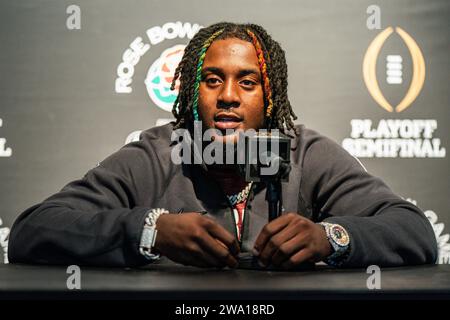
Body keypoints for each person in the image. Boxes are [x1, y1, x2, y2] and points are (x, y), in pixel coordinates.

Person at [8, 22, 437, 269]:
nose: (228, 95)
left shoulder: (306, 153)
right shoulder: (158, 154)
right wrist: (149, 230)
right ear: (192, 93)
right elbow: (33, 230)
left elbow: (414, 231)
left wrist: (332, 237)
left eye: (247, 82)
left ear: (271, 97)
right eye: (212, 80)